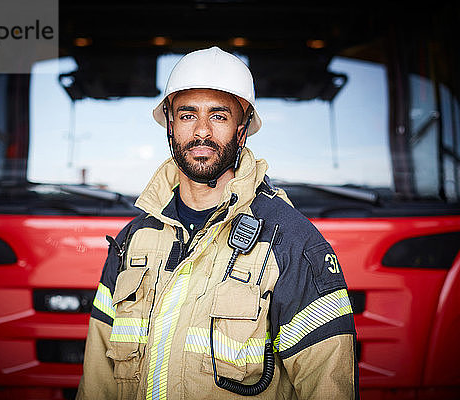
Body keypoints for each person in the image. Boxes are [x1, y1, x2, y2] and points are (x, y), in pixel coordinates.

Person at [77, 46, 358, 400]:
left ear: (241, 132)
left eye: (219, 116)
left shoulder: (291, 243)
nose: (202, 131)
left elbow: (329, 389)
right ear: (170, 124)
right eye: (188, 114)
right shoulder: (133, 241)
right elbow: (97, 384)